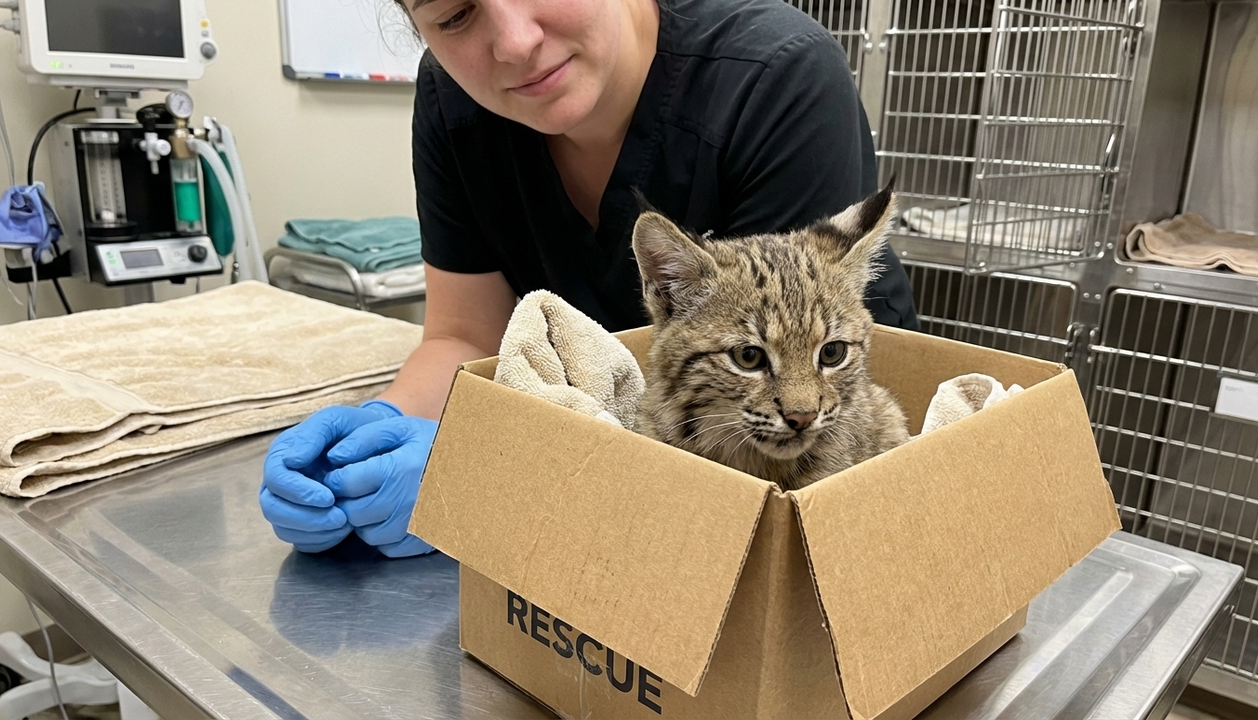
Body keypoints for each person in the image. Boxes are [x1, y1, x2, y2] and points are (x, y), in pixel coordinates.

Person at [259, 0, 919, 557]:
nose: (514, 42)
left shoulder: (775, 77)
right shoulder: (450, 99)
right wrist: (377, 436)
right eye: (456, 14)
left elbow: (779, 456)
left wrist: (483, 478)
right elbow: (464, 334)